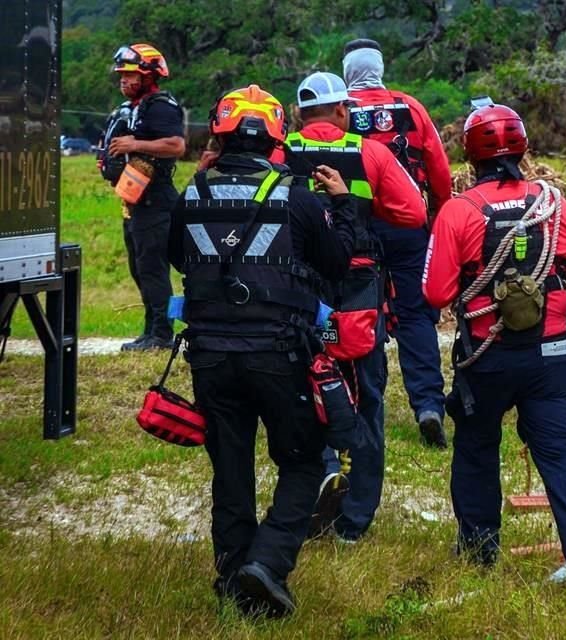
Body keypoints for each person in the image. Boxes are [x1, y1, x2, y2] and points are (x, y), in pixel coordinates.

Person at [167, 84, 358, 617]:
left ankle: (234, 575)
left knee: (230, 466)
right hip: (279, 354)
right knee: (301, 461)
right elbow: (338, 263)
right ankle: (266, 565)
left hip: (209, 355)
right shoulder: (295, 196)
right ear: (277, 135)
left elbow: (173, 255)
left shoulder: (194, 193)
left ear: (219, 135)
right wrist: (341, 203)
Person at [422, 103, 566, 605]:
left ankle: (479, 551)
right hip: (553, 356)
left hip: (486, 359)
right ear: (524, 148)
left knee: (476, 448)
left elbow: (437, 294)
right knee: (565, 456)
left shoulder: (458, 212)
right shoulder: (555, 205)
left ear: (469, 154)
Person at [283, 71, 427, 542]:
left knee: (302, 387)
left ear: (300, 114)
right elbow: (414, 213)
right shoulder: (371, 153)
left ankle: (312, 490)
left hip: (298, 286)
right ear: (343, 111)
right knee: (366, 397)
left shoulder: (279, 153)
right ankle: (355, 519)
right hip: (360, 286)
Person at [343, 38, 451, 448]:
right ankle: (427, 404)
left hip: (355, 228)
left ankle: (354, 402)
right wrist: (438, 216)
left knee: (354, 312)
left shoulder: (338, 109)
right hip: (409, 224)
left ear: (348, 71)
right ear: (380, 68)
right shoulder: (410, 107)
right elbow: (439, 169)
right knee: (416, 316)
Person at [106, 44, 185, 351]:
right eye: (122, 75)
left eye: (131, 74)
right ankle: (150, 330)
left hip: (157, 201)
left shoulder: (160, 105)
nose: (124, 80)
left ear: (150, 76)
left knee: (153, 269)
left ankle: (162, 336)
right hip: (137, 201)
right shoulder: (138, 106)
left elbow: (176, 145)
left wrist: (133, 144)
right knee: (140, 268)